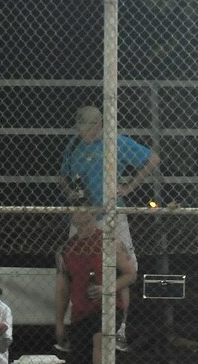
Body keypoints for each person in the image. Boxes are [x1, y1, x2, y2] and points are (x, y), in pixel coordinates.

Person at [55, 206, 138, 364]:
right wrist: (60, 322)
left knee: (99, 340)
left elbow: (130, 273)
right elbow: (63, 288)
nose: (80, 214)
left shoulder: (108, 241)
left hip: (107, 306)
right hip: (80, 311)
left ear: (93, 214)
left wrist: (106, 289)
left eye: (85, 210)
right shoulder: (67, 248)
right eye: (76, 210)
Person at [59, 103, 157, 259]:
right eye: (81, 128)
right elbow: (63, 176)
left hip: (111, 211)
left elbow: (152, 160)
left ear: (98, 125)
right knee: (78, 260)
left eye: (87, 128)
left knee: (123, 261)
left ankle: (116, 283)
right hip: (82, 213)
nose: (83, 133)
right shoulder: (74, 143)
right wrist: (69, 192)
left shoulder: (116, 142)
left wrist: (127, 187)